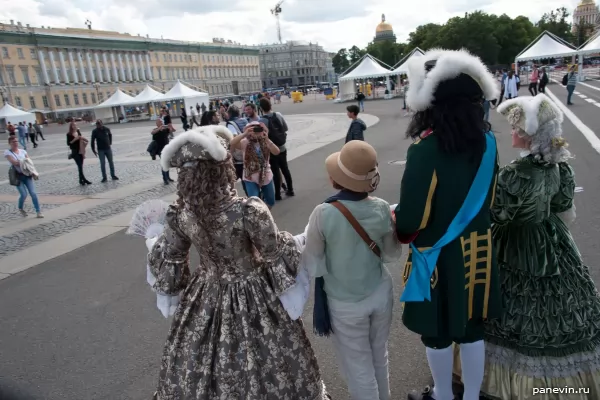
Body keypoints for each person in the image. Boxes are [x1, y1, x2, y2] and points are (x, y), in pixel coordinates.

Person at [147, 125, 330, 399]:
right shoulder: (247, 210)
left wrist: (154, 250)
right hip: (253, 291)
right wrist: (301, 241)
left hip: (205, 293)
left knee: (200, 357)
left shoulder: (181, 215)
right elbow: (273, 253)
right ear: (223, 170)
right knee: (269, 355)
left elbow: (172, 262)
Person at [455, 94, 600, 400]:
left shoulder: (515, 174)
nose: (510, 132)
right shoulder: (559, 166)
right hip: (553, 238)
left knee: (512, 307)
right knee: (560, 307)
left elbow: (497, 213)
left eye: (514, 128)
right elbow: (562, 203)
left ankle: (520, 384)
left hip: (517, 244)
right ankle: (573, 382)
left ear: (526, 135)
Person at [395, 49, 501, 400]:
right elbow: (490, 200)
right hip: (479, 252)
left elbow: (411, 219)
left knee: (437, 332)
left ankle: (442, 394)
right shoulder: (489, 143)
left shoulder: (424, 149)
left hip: (437, 257)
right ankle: (471, 395)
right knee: (472, 329)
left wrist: (399, 225)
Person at [303, 140, 402, 400]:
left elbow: (312, 261)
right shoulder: (381, 207)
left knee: (359, 367)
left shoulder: (323, 213)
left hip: (344, 301)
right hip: (379, 291)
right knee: (380, 356)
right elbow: (392, 253)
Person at [230, 121, 280, 208]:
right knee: (254, 202)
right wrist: (244, 134)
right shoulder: (245, 142)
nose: (255, 131)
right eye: (253, 129)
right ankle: (259, 217)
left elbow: (276, 152)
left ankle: (265, 212)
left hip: (265, 174)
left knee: (271, 201)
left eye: (258, 128)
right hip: (250, 176)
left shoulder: (265, 141)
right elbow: (232, 143)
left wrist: (267, 138)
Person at [259, 98, 294, 200]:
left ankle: (277, 194)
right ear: (270, 105)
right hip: (282, 147)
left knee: (275, 171)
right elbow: (285, 128)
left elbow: (262, 136)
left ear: (261, 108)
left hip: (271, 149)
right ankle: (291, 190)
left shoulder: (262, 120)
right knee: (285, 169)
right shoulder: (278, 115)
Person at [5, 135, 43, 218]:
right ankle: (20, 208)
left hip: (27, 175)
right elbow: (14, 162)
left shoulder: (23, 151)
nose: (15, 143)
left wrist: (25, 164)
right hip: (18, 177)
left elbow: (29, 162)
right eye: (13, 142)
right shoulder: (8, 153)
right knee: (24, 194)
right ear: (10, 143)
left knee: (33, 193)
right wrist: (24, 161)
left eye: (16, 141)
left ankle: (38, 211)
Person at [225, 105, 249, 196]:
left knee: (233, 178)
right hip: (247, 151)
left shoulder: (231, 124)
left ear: (229, 113)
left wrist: (230, 155)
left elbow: (233, 140)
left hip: (238, 155)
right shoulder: (244, 120)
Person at [67, 121, 92, 185]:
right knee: (80, 166)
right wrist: (75, 139)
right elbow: (68, 143)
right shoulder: (69, 134)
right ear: (71, 127)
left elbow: (81, 139)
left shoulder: (78, 132)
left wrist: (82, 138)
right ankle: (84, 180)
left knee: (80, 166)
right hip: (75, 152)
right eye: (73, 125)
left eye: (75, 125)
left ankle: (81, 180)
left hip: (81, 151)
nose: (75, 126)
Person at [150, 119, 173, 185]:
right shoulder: (156, 130)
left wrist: (170, 127)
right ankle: (165, 179)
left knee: (167, 164)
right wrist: (159, 128)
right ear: (157, 123)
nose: (161, 123)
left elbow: (172, 131)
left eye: (162, 122)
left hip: (167, 149)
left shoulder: (165, 130)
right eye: (160, 122)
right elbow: (152, 132)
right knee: (164, 164)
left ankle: (168, 177)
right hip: (160, 150)